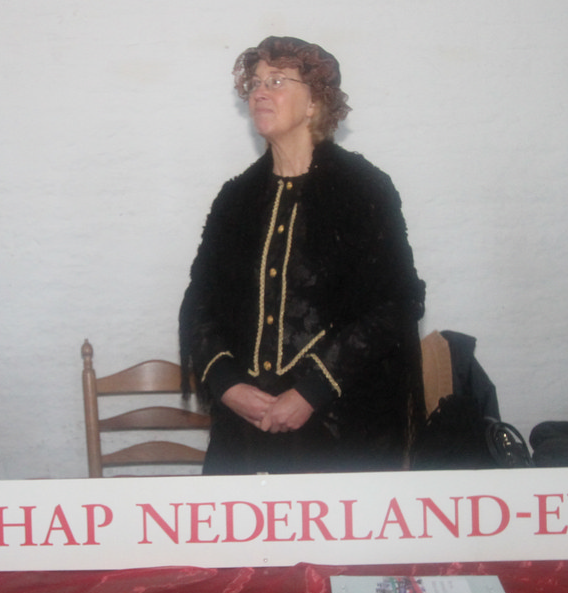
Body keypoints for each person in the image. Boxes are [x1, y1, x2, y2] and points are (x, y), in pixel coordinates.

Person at [179, 36, 426, 474]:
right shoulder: (235, 199)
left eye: (276, 81)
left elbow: (398, 302)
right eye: (255, 83)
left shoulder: (364, 190)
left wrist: (312, 391)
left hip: (340, 431)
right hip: (244, 435)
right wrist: (227, 385)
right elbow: (199, 303)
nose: (260, 92)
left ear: (315, 102)